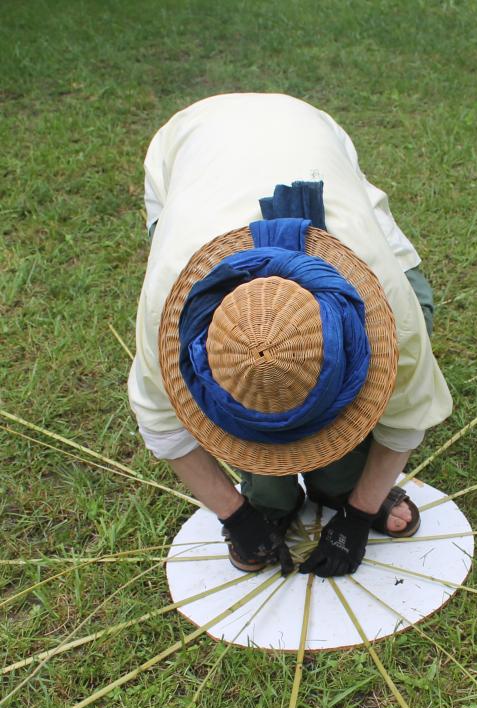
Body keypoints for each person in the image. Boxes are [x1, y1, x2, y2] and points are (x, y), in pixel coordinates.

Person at [128, 93, 452, 578]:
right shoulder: (165, 317)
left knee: (417, 325)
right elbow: (163, 426)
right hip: (189, 147)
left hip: (313, 140)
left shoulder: (389, 306)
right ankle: (270, 494)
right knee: (266, 422)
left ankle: (337, 481)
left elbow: (408, 415)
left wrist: (358, 512)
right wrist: (235, 516)